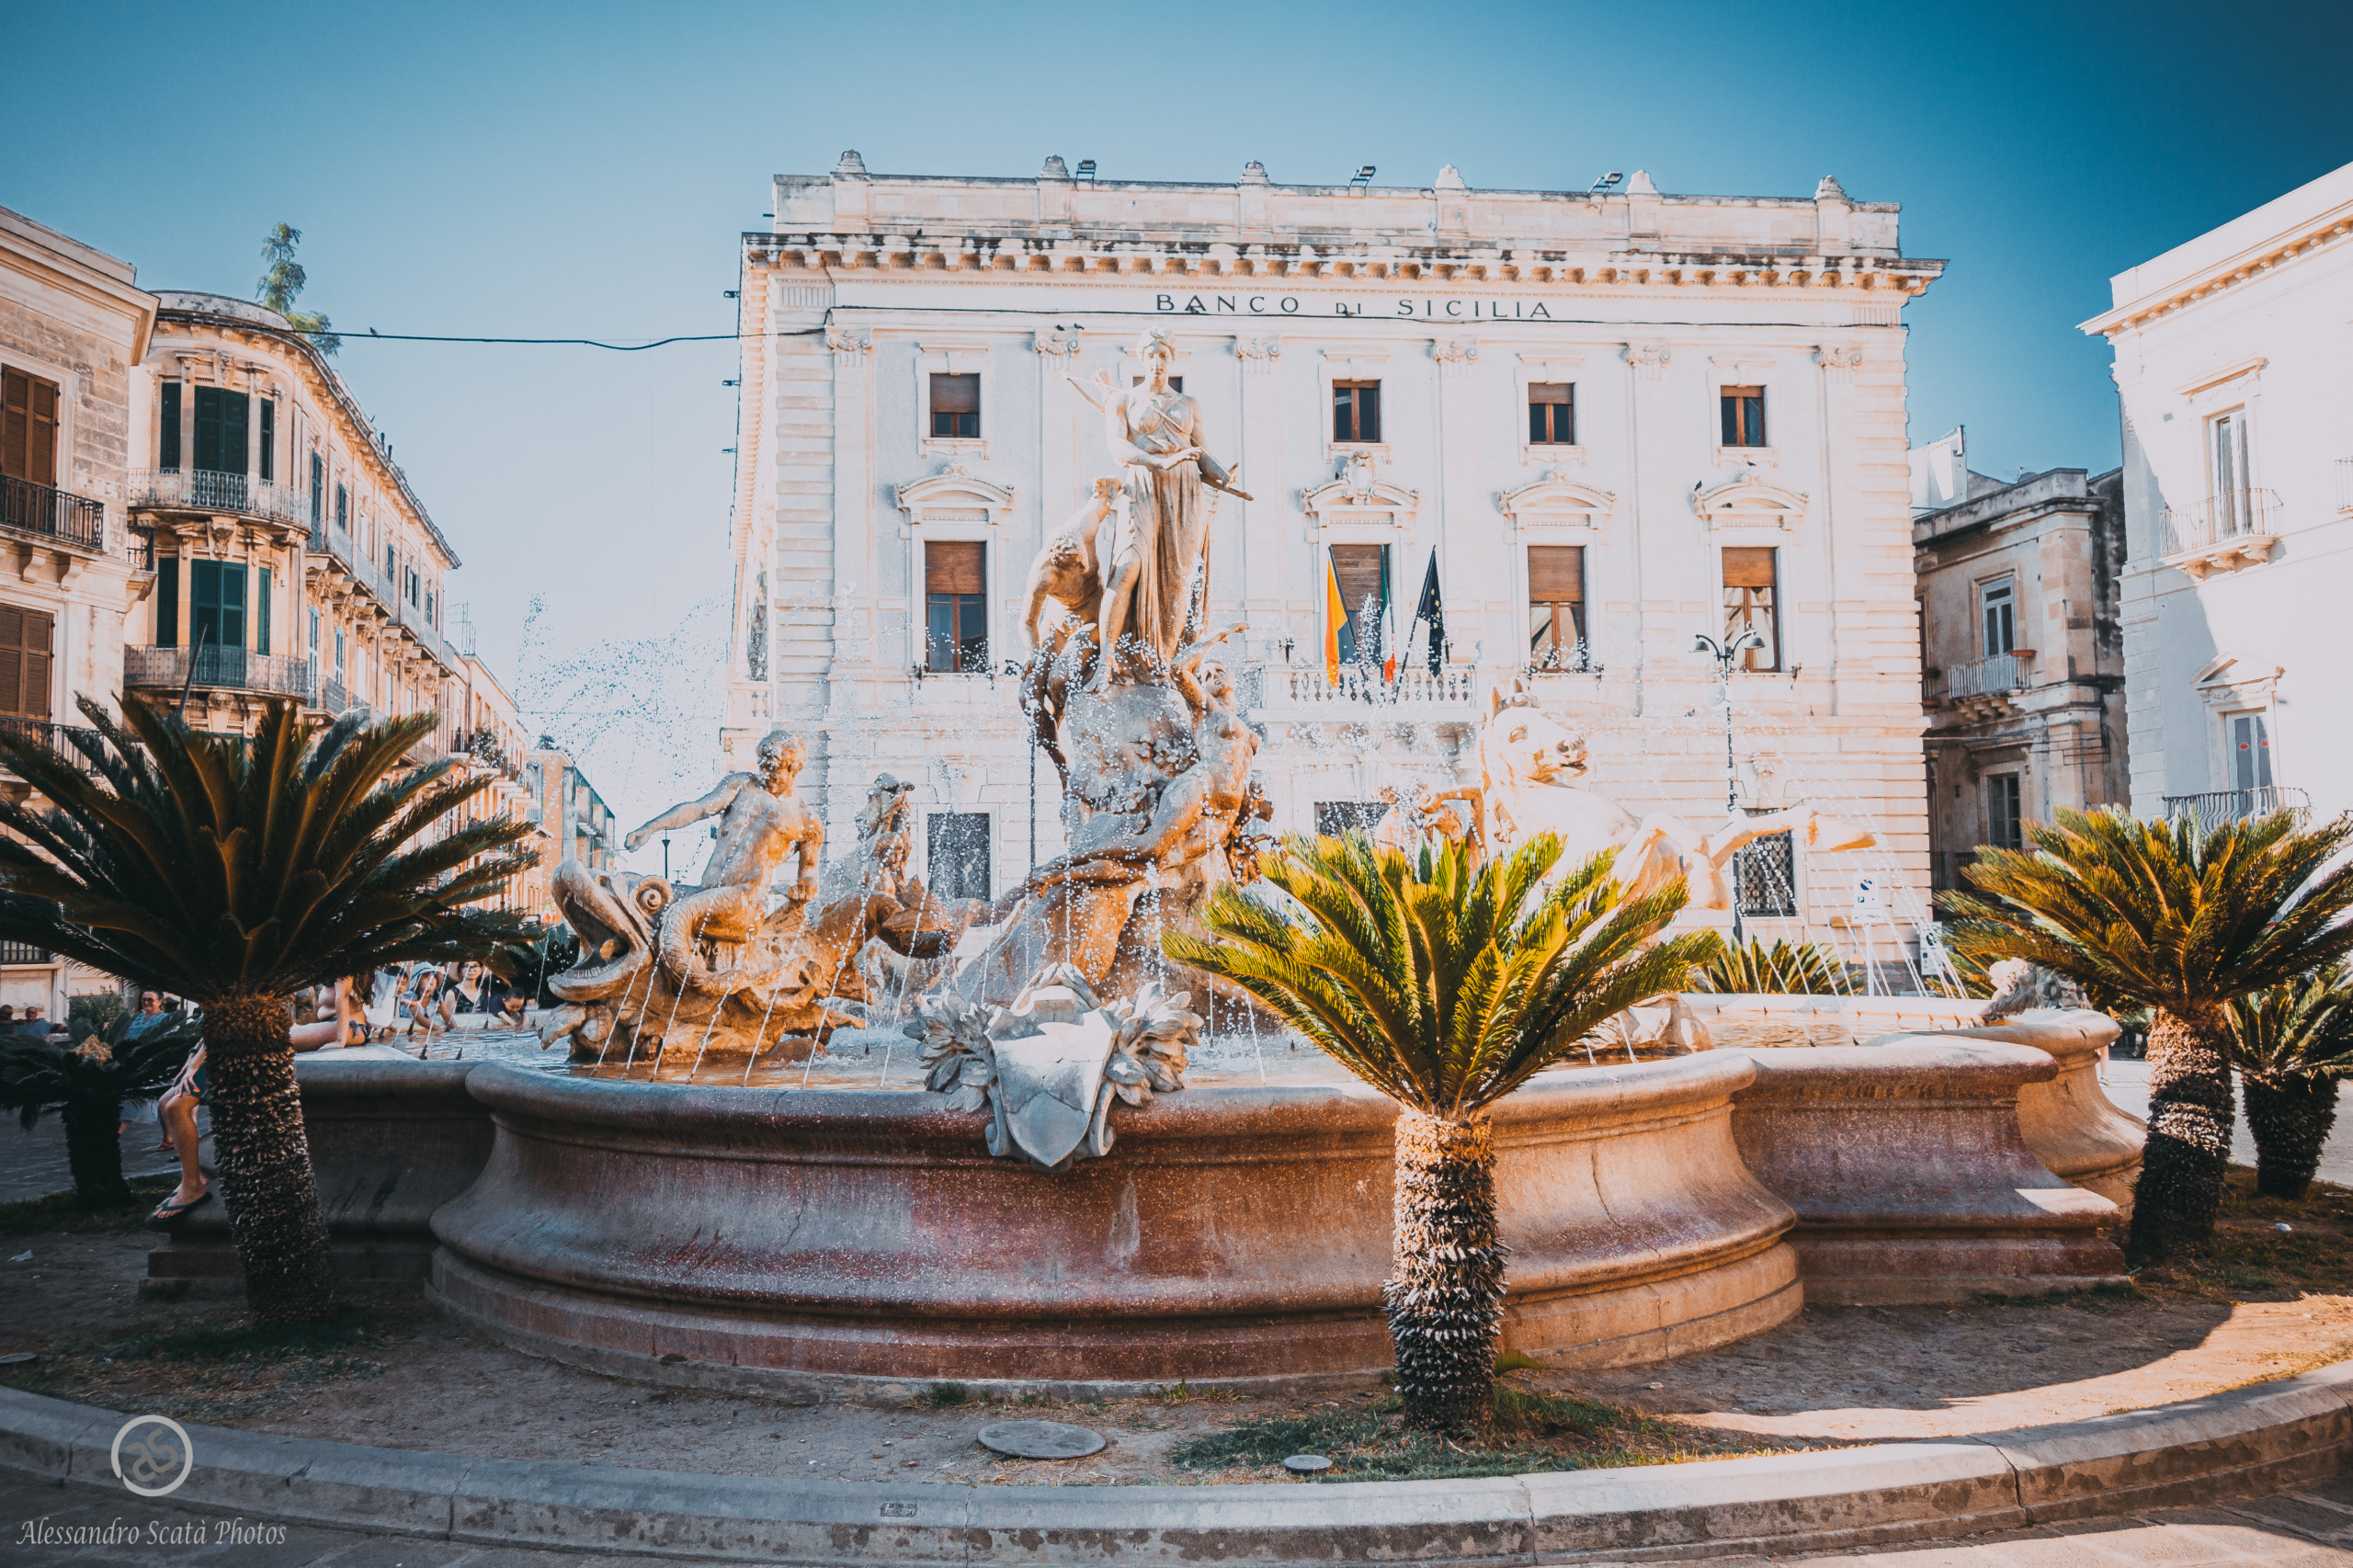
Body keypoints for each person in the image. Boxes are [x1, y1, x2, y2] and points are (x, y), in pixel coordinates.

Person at [147, 1038, 210, 1227]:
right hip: (216, 1048)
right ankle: (195, 1177)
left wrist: (194, 1065)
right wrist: (192, 1056)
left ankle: (192, 1187)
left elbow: (221, 1024)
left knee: (176, 1107)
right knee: (165, 1102)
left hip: (234, 1048)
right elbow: (209, 1029)